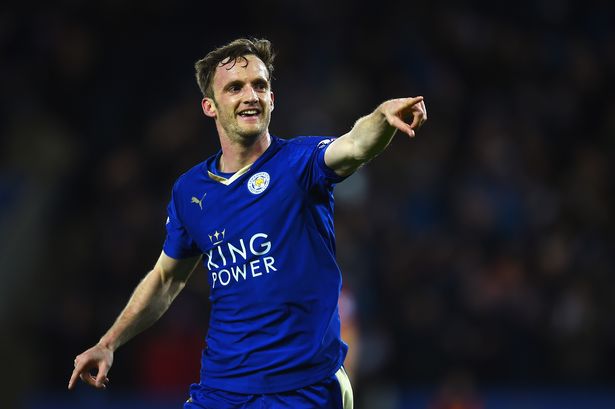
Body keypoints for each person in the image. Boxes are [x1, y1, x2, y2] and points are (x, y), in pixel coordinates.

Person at [68, 38, 427, 409]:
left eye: (260, 85)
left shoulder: (300, 162)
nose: (251, 95)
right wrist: (108, 343)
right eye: (235, 87)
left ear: (272, 99)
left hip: (304, 390)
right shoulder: (190, 191)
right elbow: (166, 278)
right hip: (221, 390)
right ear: (210, 106)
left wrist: (382, 117)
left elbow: (353, 145)